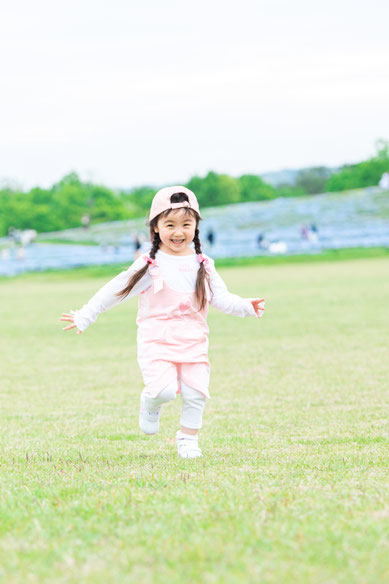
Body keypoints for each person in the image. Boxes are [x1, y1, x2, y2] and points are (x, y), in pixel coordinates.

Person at [60, 186, 265, 459]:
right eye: (170, 224)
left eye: (186, 224)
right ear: (155, 227)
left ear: (196, 227)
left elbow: (221, 297)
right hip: (156, 340)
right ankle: (150, 401)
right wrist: (86, 314)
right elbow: (115, 289)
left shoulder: (203, 264)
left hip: (194, 339)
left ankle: (188, 440)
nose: (178, 232)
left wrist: (245, 306)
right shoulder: (149, 264)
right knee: (164, 391)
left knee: (196, 393)